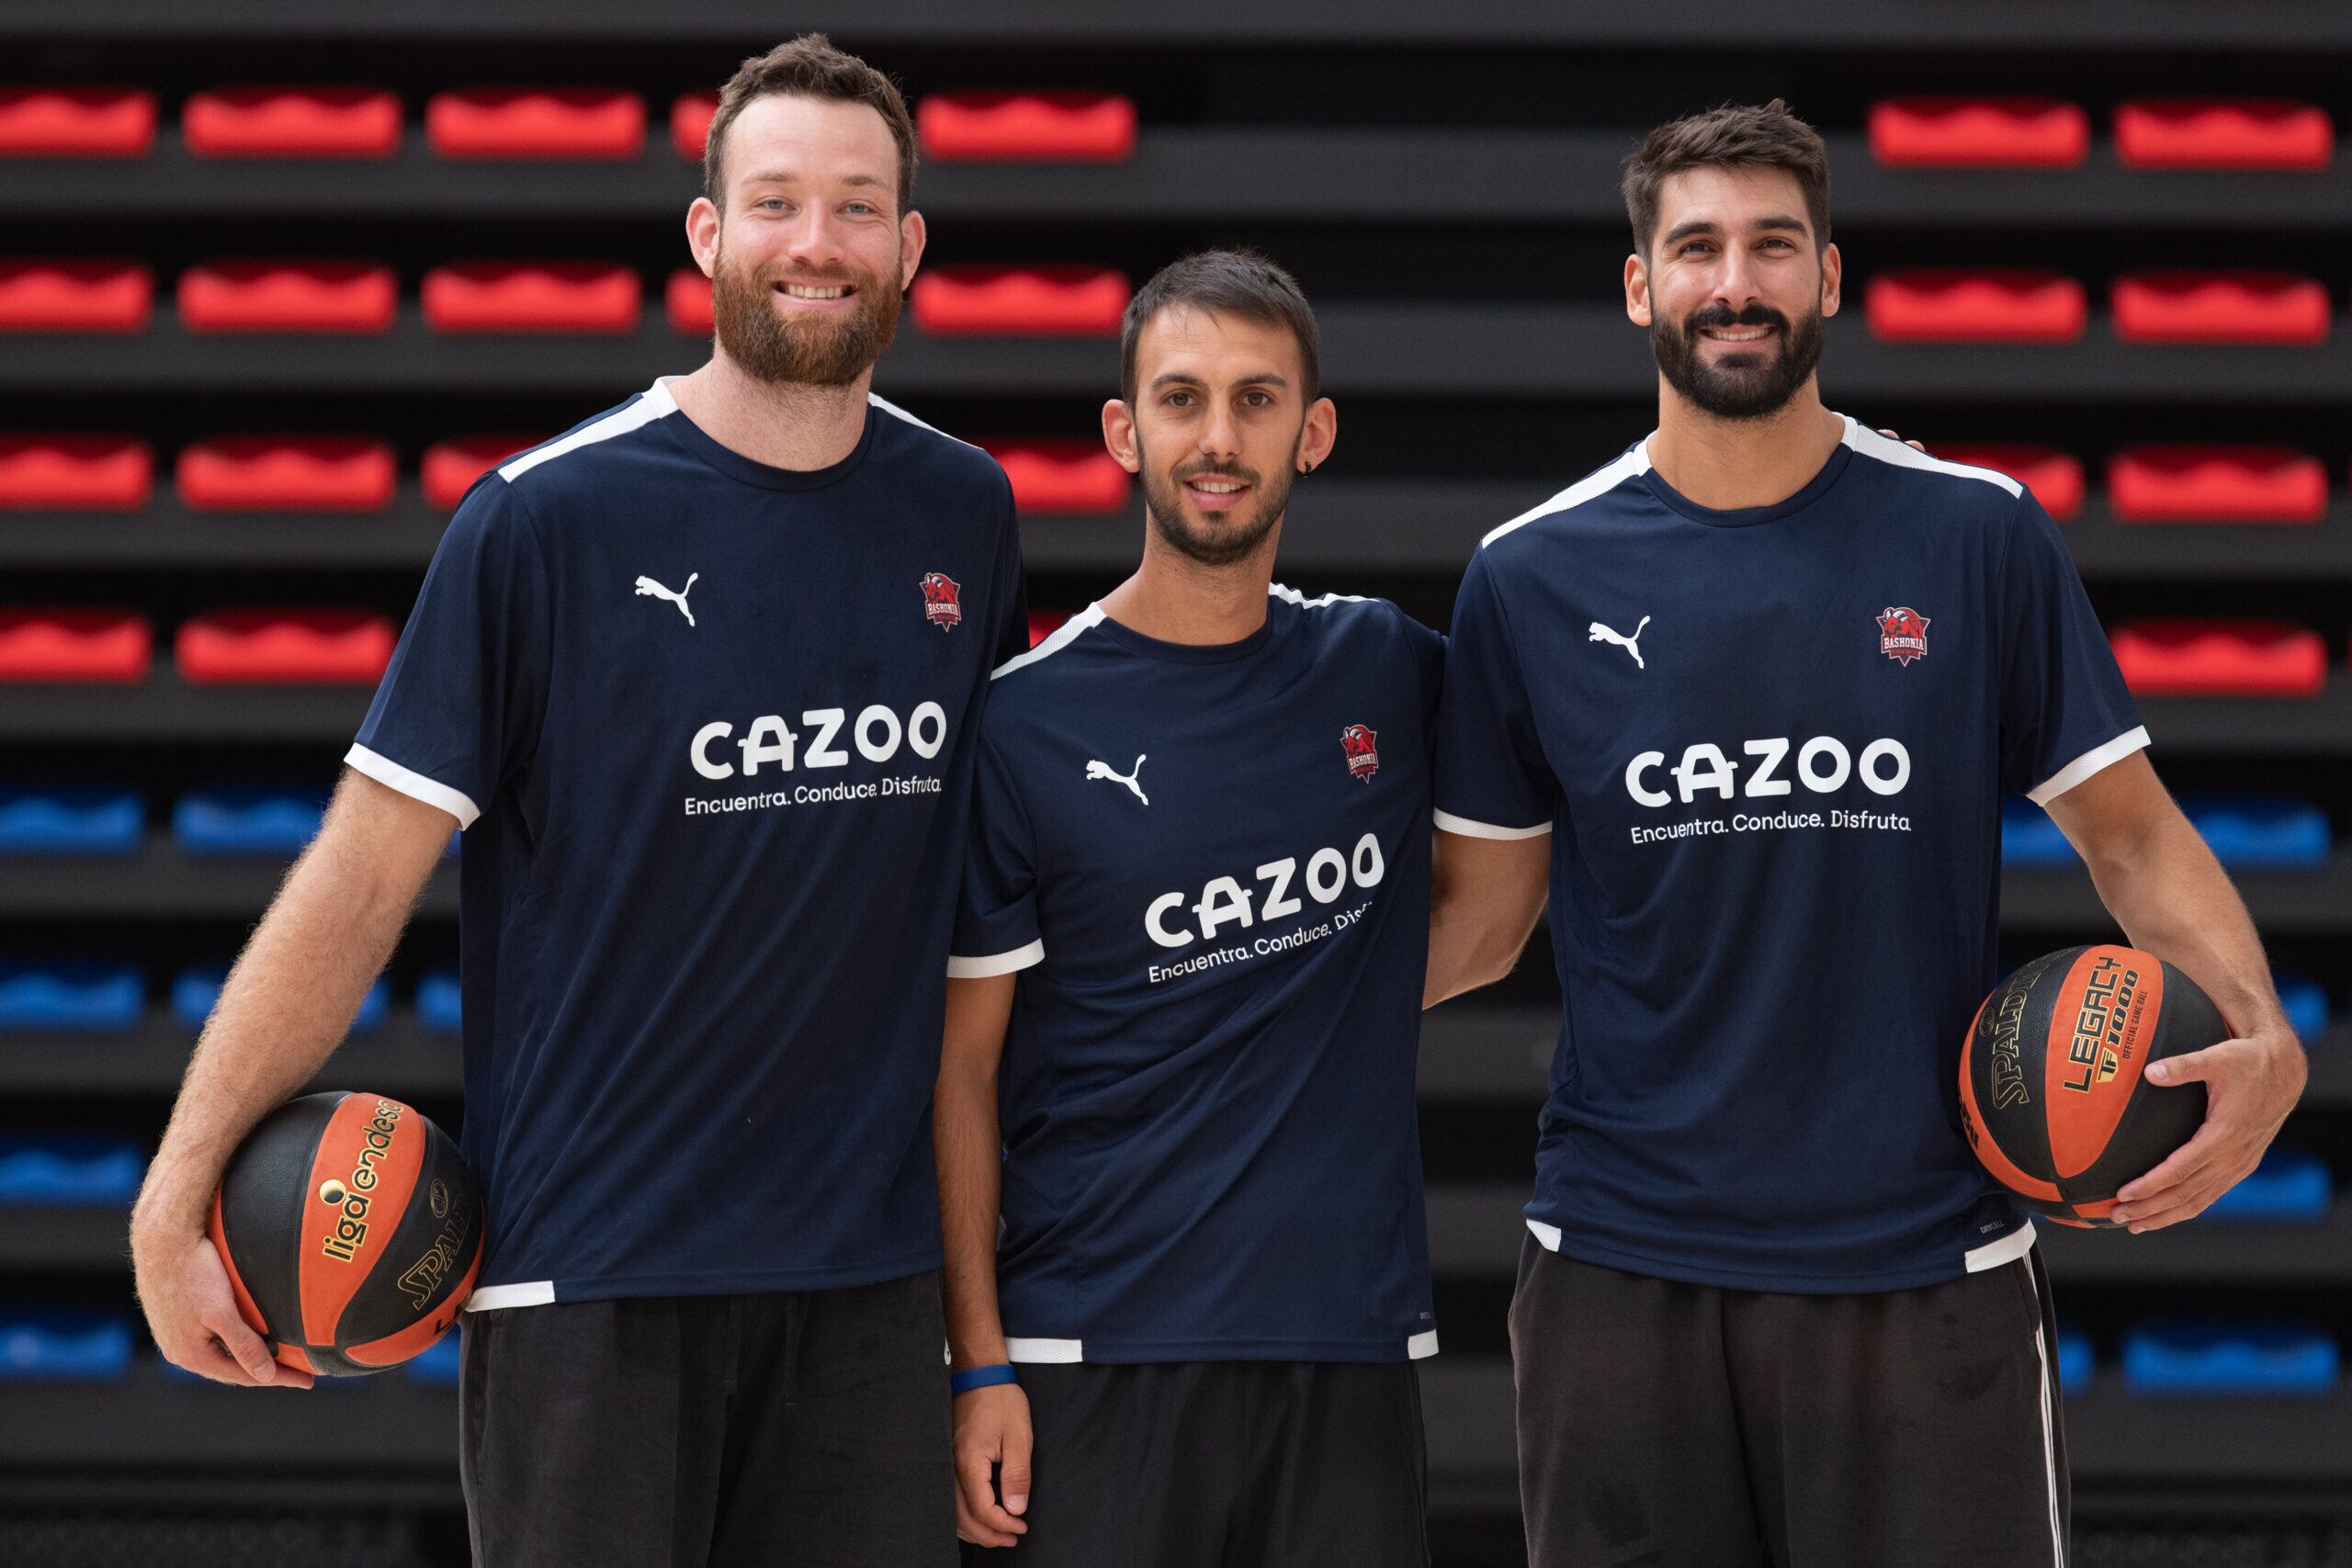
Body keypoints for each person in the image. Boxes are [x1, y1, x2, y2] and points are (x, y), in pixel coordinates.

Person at [129, 34, 1025, 1567]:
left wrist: (981, 1340)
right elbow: (358, 881)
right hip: (592, 1293)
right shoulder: (544, 520)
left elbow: (966, 977)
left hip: (865, 1308)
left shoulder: (966, 513)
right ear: (707, 235)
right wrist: (173, 1196)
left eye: (859, 209)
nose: (818, 244)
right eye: (777, 203)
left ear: (911, 247)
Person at [1424, 100, 2307, 1567]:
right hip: (1624, 1273)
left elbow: (2135, 841)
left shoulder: (1976, 535)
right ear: (1640, 286)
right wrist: (1214, 1007)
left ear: (1829, 277)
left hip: (1924, 1266)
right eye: (1696, 246)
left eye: (1774, 246)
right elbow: (1481, 922)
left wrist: (2267, 1035)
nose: (1736, 283)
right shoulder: (1531, 575)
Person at [935, 250, 1442, 1567]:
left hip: (1343, 1342)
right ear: (1124, 430)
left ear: (1313, 433)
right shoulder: (1025, 717)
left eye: (1257, 400)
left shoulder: (1385, 667)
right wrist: (977, 1364)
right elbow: (961, 1072)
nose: (1218, 440)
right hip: (1089, 1353)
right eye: (1181, 399)